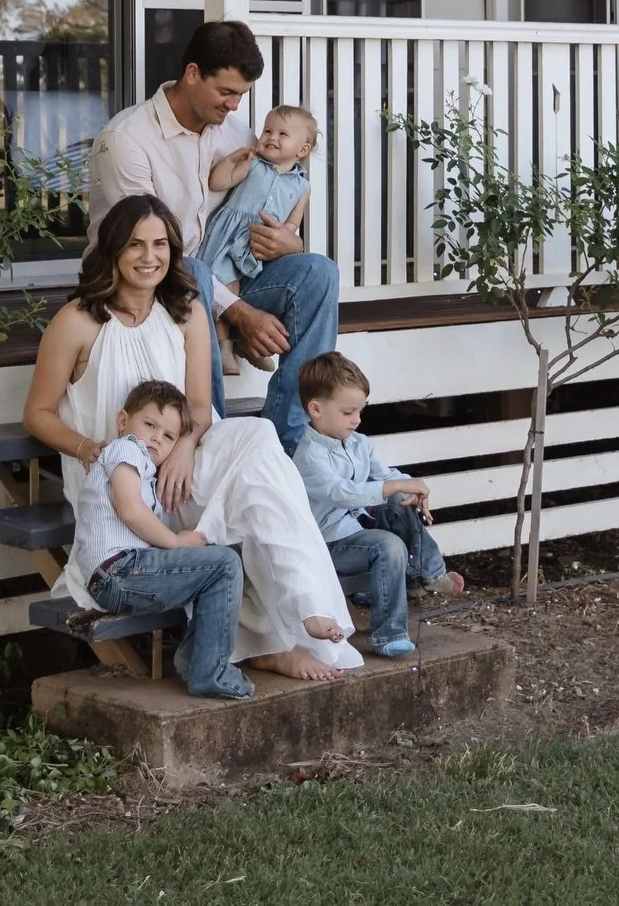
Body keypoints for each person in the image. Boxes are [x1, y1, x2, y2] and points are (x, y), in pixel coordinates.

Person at [23, 194, 363, 681]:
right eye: (135, 245)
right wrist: (89, 450)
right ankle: (290, 627)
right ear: (114, 251)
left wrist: (183, 449)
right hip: (123, 483)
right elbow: (36, 413)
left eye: (160, 244)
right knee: (258, 479)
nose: (149, 256)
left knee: (260, 441)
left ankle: (293, 621)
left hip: (180, 466)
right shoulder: (78, 321)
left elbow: (200, 409)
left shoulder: (185, 312)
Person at [86, 20, 339, 454]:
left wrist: (287, 244)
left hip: (223, 277)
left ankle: (288, 447)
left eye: (241, 94)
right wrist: (239, 313)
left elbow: (270, 201)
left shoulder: (237, 133)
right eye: (226, 92)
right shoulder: (128, 140)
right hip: (147, 284)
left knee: (319, 272)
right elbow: (152, 254)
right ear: (192, 74)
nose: (235, 104)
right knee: (194, 270)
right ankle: (213, 444)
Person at [72, 377, 253, 701]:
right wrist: (176, 542)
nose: (156, 438)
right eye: (150, 425)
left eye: (168, 435)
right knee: (224, 564)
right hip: (117, 572)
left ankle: (194, 660)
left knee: (220, 559)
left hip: (124, 573)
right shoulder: (125, 449)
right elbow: (129, 510)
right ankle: (209, 672)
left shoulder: (146, 469)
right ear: (123, 420)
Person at [292, 352, 465, 659]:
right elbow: (342, 493)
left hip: (359, 527)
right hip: (328, 544)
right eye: (348, 412)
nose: (356, 419)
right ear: (316, 409)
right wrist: (396, 486)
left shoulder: (359, 443)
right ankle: (389, 634)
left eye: (360, 410)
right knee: (389, 545)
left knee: (400, 498)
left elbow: (385, 477)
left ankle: (427, 571)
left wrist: (411, 487)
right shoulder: (308, 456)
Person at [196, 105, 316, 376]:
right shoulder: (253, 165)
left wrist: (285, 240)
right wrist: (232, 161)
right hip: (229, 240)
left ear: (302, 150)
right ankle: (224, 346)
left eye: (282, 133)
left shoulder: (302, 187)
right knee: (230, 288)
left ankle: (248, 344)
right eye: (267, 130)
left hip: (259, 250)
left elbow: (292, 225)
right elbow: (218, 182)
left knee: (274, 292)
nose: (271, 137)